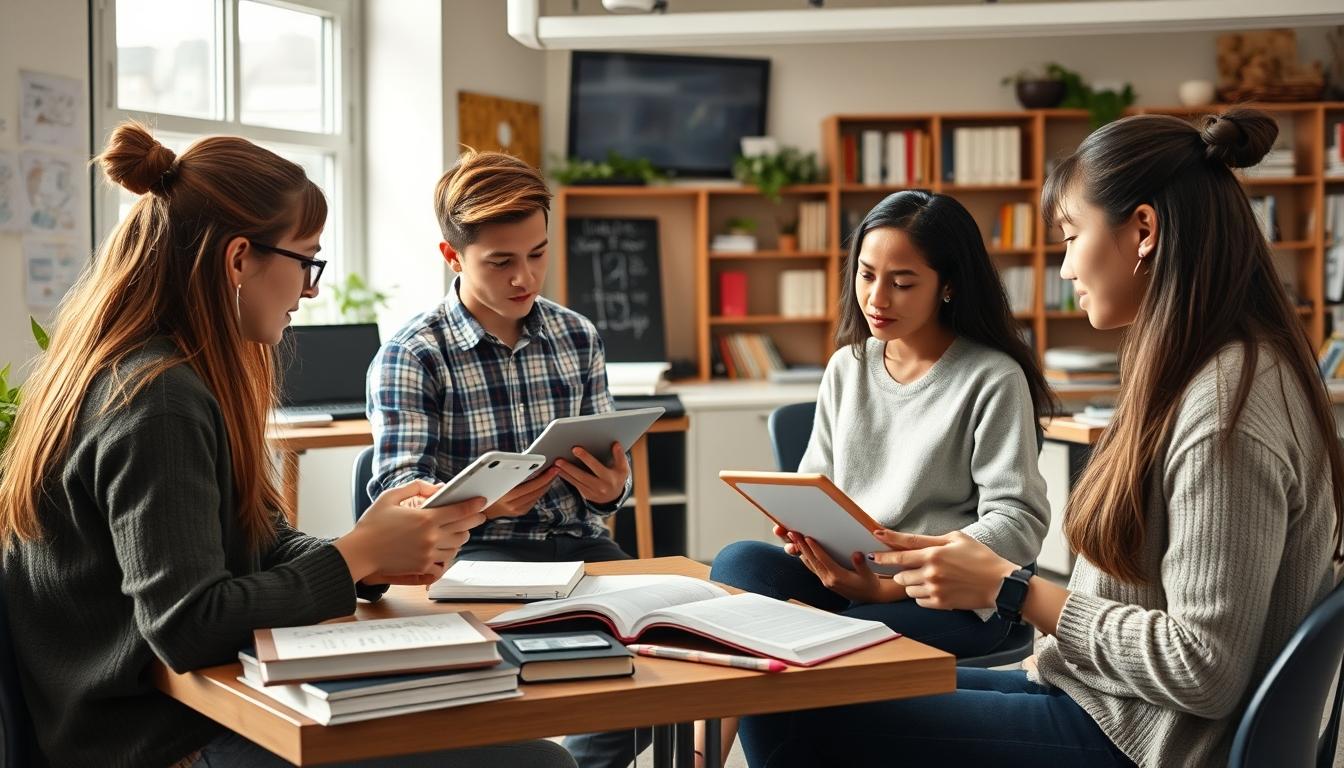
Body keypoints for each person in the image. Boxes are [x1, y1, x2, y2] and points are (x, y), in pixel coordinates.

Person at [735, 107, 1343, 767]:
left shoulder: (1225, 410)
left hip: (1142, 741)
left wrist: (1012, 588)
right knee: (806, 682)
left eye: (1071, 236)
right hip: (1100, 701)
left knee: (799, 709)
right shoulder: (1206, 373)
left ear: (1143, 231)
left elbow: (1203, 668)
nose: (1064, 269)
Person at [0, 122, 576, 768]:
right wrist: (355, 556)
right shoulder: (157, 400)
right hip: (163, 745)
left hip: (193, 715)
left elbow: (261, 542)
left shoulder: (165, 376)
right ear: (239, 259)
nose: (312, 289)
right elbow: (188, 625)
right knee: (541, 764)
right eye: (306, 261)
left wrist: (368, 558)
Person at [698, 189, 1055, 764]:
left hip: (946, 597)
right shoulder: (848, 366)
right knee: (740, 564)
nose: (876, 298)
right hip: (847, 575)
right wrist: (801, 530)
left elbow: (1018, 520)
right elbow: (814, 482)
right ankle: (702, 755)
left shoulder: (992, 377)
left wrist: (890, 586)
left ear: (948, 285)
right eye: (866, 275)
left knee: (794, 641)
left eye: (902, 283)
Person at [365, 150, 643, 768]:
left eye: (538, 254)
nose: (526, 278)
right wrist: (485, 507)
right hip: (475, 558)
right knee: (497, 686)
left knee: (667, 662)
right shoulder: (412, 354)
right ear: (452, 256)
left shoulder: (578, 336)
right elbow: (399, 492)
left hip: (581, 549)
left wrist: (610, 489)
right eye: (502, 262)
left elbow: (609, 469)